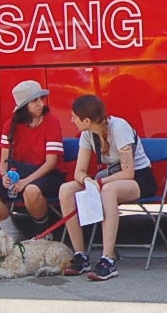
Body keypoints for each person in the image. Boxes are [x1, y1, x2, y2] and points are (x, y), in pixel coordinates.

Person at [59, 94, 155, 282]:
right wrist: (87, 180)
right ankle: (80, 255)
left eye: (74, 117)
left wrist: (99, 183)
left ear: (86, 120)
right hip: (108, 179)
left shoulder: (119, 127)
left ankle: (108, 259)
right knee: (67, 189)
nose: (71, 120)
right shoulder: (87, 134)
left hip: (139, 179)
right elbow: (79, 171)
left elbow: (128, 173)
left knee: (107, 191)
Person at [0, 80, 65, 239]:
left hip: (48, 174)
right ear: (24, 105)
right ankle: (11, 234)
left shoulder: (51, 122)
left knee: (31, 191)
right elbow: (4, 159)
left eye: (41, 99)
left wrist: (26, 181)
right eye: (35, 101)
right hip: (18, 173)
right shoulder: (10, 125)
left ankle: (43, 232)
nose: (41, 104)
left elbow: (51, 162)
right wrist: (4, 175)